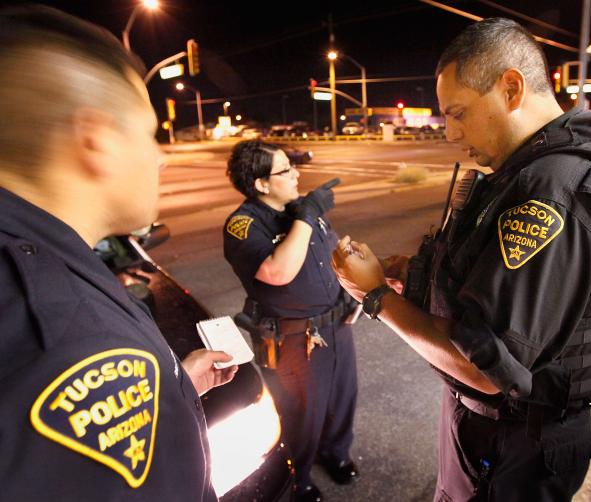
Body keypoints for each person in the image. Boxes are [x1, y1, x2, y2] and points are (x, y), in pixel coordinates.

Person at [332, 18, 591, 502]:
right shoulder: (534, 164)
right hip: (499, 434)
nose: (449, 132)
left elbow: (485, 368)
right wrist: (411, 274)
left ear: (511, 88)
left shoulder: (553, 188)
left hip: (515, 445)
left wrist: (372, 296)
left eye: (457, 112)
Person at [0, 6, 238, 500]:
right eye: (148, 133)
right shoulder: (74, 340)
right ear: (97, 140)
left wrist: (170, 391)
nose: (161, 156)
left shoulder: (36, 262)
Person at [223, 141, 360, 502]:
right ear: (260, 184)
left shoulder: (302, 210)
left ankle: (336, 453)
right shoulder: (243, 224)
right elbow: (277, 271)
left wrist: (350, 294)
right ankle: (297, 478)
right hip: (295, 339)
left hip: (336, 325)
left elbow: (327, 254)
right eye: (285, 169)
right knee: (301, 413)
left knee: (341, 399)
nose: (296, 173)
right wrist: (306, 214)